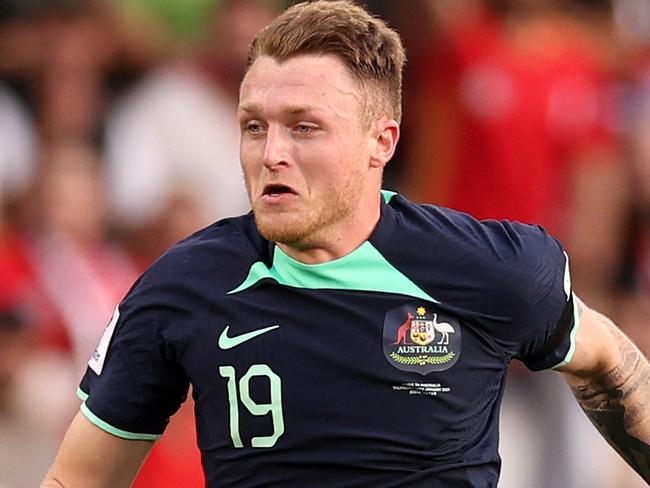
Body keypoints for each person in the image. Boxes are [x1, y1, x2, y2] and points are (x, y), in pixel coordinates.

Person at [42, 1, 650, 487]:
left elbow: (607, 359)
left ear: (380, 142)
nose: (271, 152)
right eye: (254, 126)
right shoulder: (181, 287)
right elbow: (76, 479)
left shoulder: (492, 268)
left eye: (304, 127)